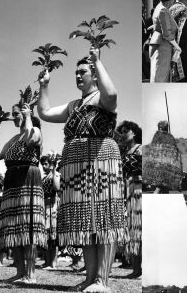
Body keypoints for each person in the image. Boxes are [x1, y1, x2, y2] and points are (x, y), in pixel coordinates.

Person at [37, 47, 128, 292]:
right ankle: (90, 277)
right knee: (85, 222)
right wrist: (44, 85)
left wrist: (98, 61)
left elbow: (112, 93)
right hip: (77, 167)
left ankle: (102, 280)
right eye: (76, 72)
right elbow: (44, 113)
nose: (78, 76)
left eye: (83, 72)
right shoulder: (73, 105)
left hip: (101, 161)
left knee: (104, 218)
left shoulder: (102, 99)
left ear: (95, 74)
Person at [0, 103, 45, 283]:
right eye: (13, 114)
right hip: (12, 181)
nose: (13, 117)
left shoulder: (35, 129)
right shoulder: (13, 138)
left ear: (24, 112)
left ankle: (30, 274)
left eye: (16, 114)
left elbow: (31, 140)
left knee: (27, 228)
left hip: (28, 178)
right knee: (15, 227)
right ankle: (20, 272)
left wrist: (29, 116)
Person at [117, 121, 142, 278]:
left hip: (139, 191)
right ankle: (136, 269)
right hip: (128, 191)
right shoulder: (125, 152)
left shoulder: (141, 149)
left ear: (133, 133)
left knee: (140, 228)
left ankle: (139, 269)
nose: (123, 134)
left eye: (126, 131)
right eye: (122, 131)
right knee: (132, 230)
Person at [149, 0, 181, 82]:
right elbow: (166, 33)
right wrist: (177, 46)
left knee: (158, 74)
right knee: (160, 76)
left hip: (159, 43)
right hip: (163, 45)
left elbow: (157, 24)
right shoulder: (163, 10)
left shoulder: (158, 7)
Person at [40, 154, 60, 270]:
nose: (43, 166)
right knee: (47, 235)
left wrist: (54, 171)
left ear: (51, 164)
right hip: (45, 205)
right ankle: (47, 262)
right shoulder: (44, 177)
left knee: (53, 234)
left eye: (46, 163)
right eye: (42, 164)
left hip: (52, 205)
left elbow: (57, 188)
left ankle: (53, 263)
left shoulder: (55, 175)